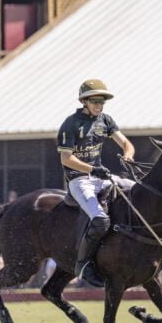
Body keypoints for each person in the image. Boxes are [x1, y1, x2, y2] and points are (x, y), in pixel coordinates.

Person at [57, 78, 136, 287]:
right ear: (84, 101)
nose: (99, 105)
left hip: (100, 177)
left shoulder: (106, 120)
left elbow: (126, 143)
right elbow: (66, 159)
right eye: (94, 101)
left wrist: (127, 155)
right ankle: (82, 265)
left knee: (138, 191)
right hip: (79, 180)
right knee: (100, 220)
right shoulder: (70, 124)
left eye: (102, 102)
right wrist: (92, 169)